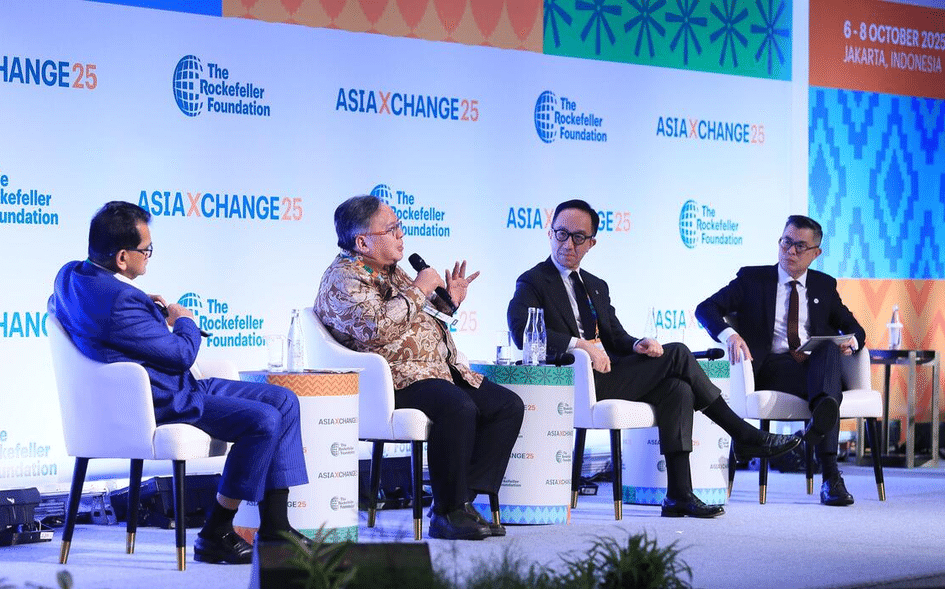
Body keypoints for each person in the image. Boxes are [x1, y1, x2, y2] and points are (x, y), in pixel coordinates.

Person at [49, 201, 310, 564]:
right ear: (122, 258)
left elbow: (114, 323)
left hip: (175, 384)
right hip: (165, 399)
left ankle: (276, 528)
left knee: (284, 401)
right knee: (263, 421)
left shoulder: (71, 276)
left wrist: (148, 309)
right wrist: (183, 318)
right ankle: (216, 531)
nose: (149, 257)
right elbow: (182, 354)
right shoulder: (120, 300)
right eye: (146, 251)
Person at [507, 199, 801, 518]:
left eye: (578, 237)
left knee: (678, 388)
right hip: (571, 383)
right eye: (561, 233)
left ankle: (678, 495)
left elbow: (617, 337)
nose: (568, 243)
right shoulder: (533, 281)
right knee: (678, 352)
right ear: (549, 233)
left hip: (610, 373)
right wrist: (581, 345)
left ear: (591, 243)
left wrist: (638, 344)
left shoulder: (595, 286)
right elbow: (523, 331)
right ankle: (742, 434)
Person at [315, 195, 523, 540]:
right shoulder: (343, 279)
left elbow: (415, 320)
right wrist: (418, 289)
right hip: (390, 380)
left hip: (434, 370)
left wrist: (448, 301)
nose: (401, 235)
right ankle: (450, 510)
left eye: (399, 226)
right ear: (362, 241)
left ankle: (459, 503)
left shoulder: (390, 271)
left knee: (507, 406)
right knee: (458, 407)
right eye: (392, 228)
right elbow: (377, 329)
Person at [696, 215, 865, 506]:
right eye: (786, 242)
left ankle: (822, 418)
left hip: (815, 369)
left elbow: (855, 328)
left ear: (815, 253)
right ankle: (831, 476)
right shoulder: (753, 280)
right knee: (827, 393)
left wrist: (853, 342)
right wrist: (729, 335)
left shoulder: (824, 286)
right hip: (773, 369)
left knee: (827, 351)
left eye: (800, 246)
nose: (790, 251)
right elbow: (705, 308)